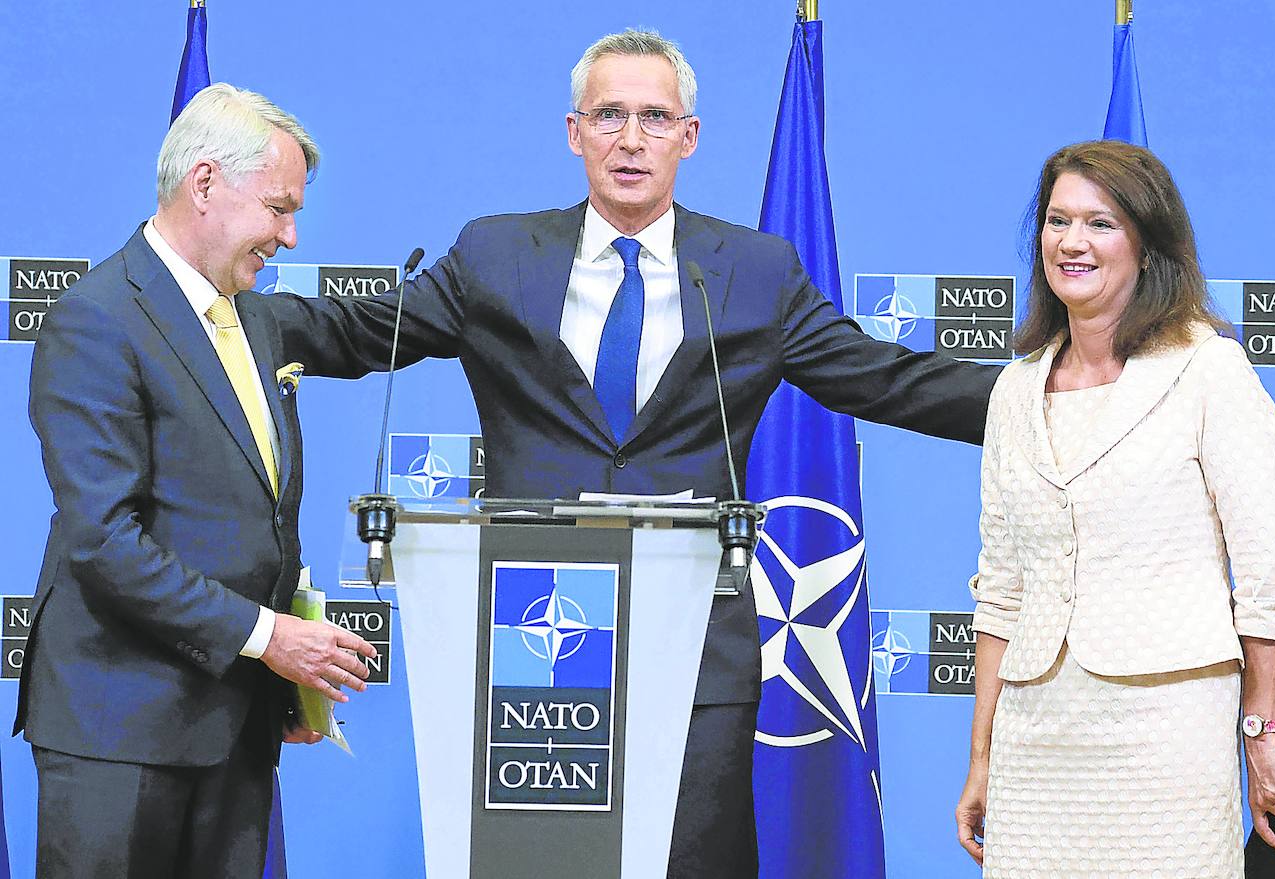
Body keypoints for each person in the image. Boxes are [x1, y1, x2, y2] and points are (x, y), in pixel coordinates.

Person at [263, 29, 998, 877]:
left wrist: (1058, 393)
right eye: (609, 115)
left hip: (697, 656)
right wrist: (203, 304)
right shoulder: (496, 255)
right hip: (536, 640)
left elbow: (883, 377)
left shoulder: (754, 271)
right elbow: (358, 331)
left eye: (655, 116)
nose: (631, 138)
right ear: (574, 132)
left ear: (689, 137)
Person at [18, 83, 378, 878]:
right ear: (205, 183)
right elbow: (104, 542)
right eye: (279, 209)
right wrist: (273, 638)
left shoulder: (252, 317)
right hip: (119, 733)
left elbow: (246, 511)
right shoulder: (96, 321)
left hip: (235, 729)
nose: (290, 236)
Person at [954, 140, 1275, 878]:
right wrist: (982, 758)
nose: (1072, 242)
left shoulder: (1208, 368)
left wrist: (1260, 727)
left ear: (1148, 245)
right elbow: (1001, 590)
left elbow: (1268, 572)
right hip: (1036, 740)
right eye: (1058, 221)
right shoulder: (1014, 391)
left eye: (1100, 223)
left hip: (1166, 732)